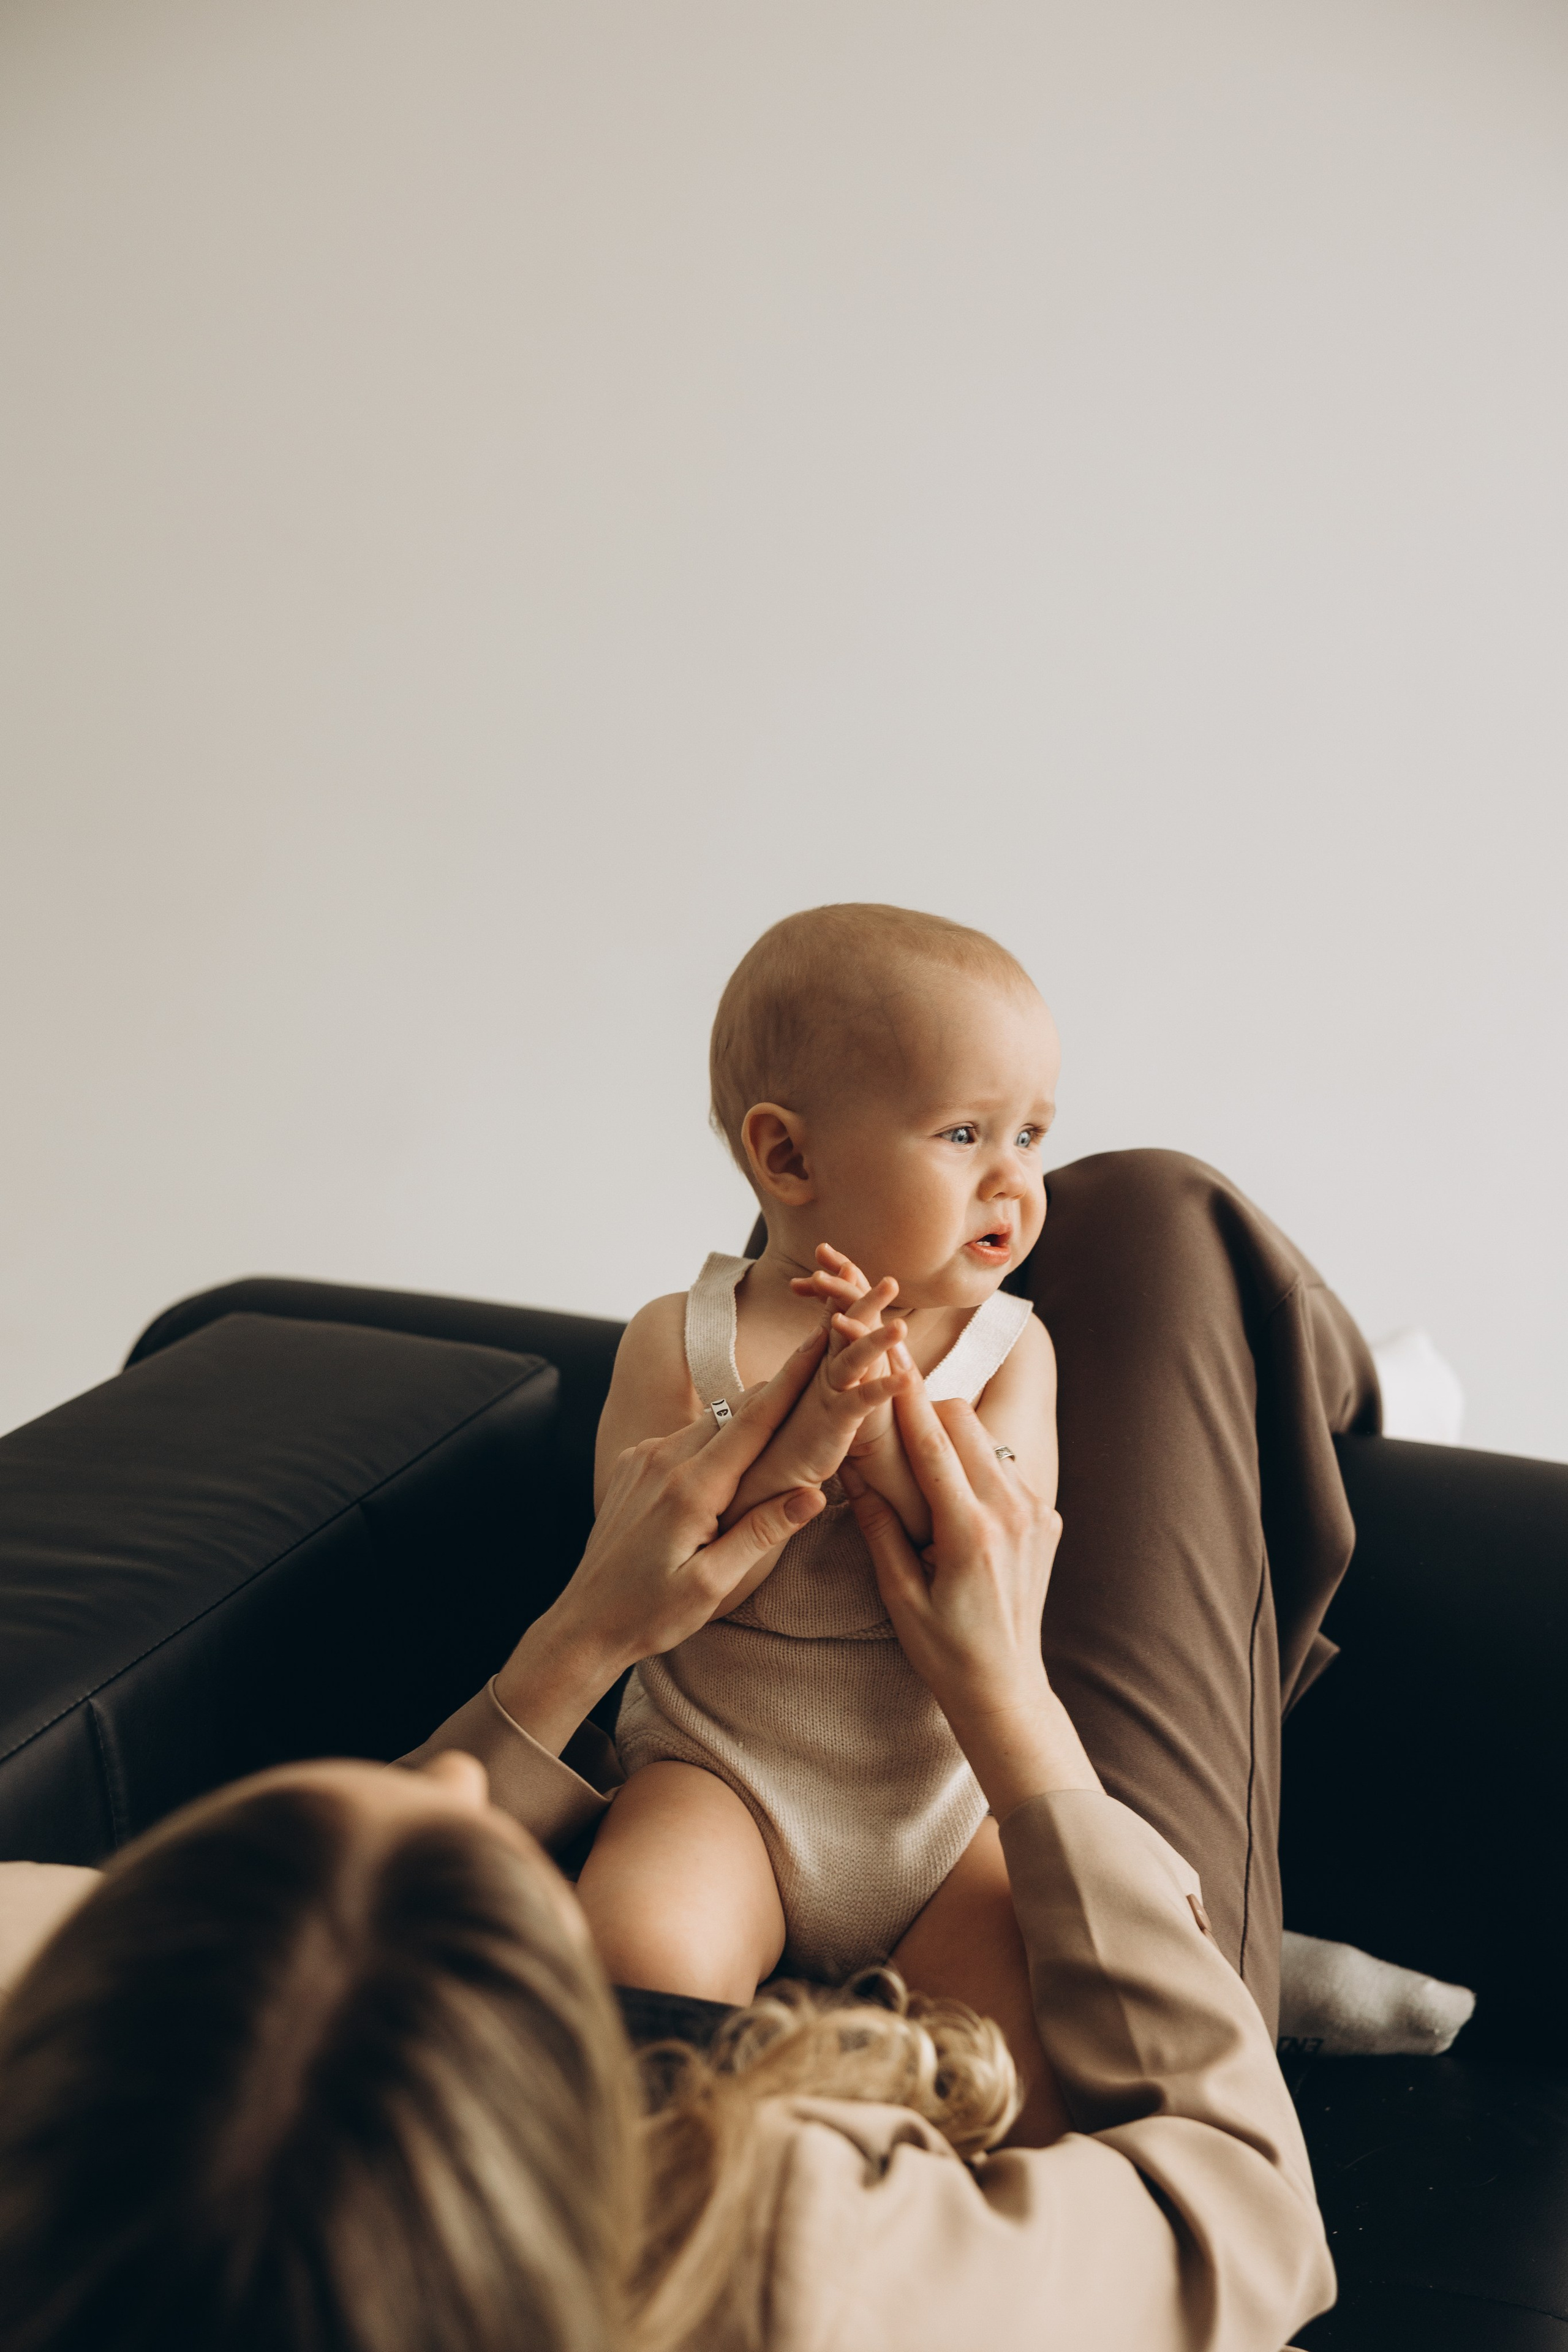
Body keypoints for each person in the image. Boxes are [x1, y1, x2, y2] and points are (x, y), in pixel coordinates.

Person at [0, 1319, 1341, 2351]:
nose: (468, 1791)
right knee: (1162, 1225)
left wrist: (583, 1637)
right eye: (460, 1871)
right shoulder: (784, 2255)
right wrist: (1011, 1705)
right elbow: (1247, 2221)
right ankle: (1345, 1377)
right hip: (986, 1810)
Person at [578, 902, 1067, 2126]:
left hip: (940, 1795)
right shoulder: (682, 1339)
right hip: (722, 1770)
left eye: (1031, 1135)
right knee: (625, 1964)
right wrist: (810, 1423)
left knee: (1041, 2041)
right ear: (786, 1159)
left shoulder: (1007, 1345)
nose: (1013, 1178)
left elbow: (978, 1557)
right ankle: (732, 2138)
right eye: (963, 1133)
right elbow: (664, 1579)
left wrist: (887, 1396)